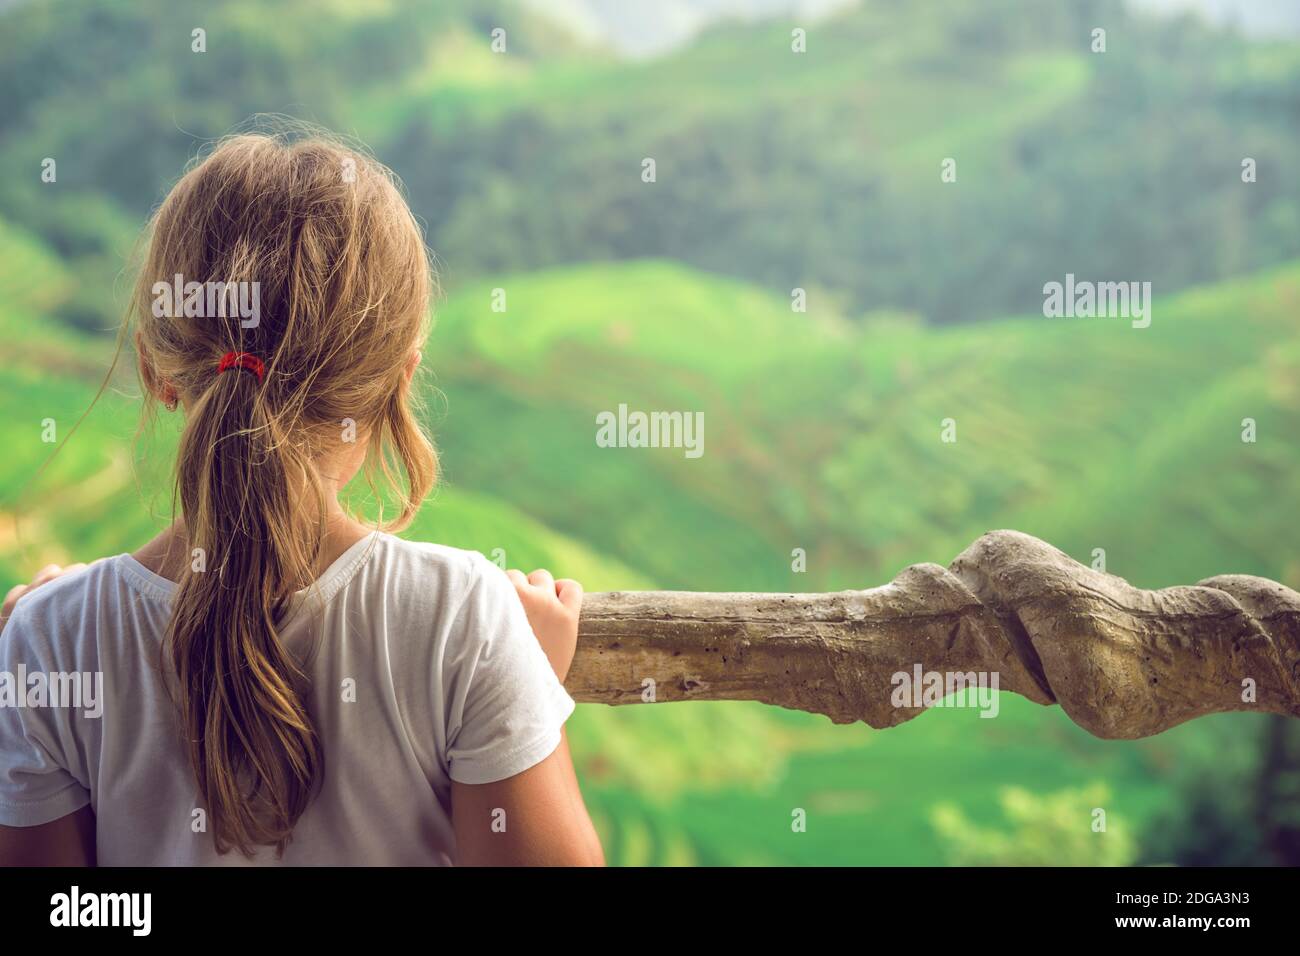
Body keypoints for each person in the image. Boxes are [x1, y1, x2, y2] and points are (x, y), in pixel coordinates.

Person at [0, 131, 604, 866]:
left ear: (156, 369)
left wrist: (38, 636)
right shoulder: (460, 617)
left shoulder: (51, 642)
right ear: (397, 384)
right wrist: (520, 684)